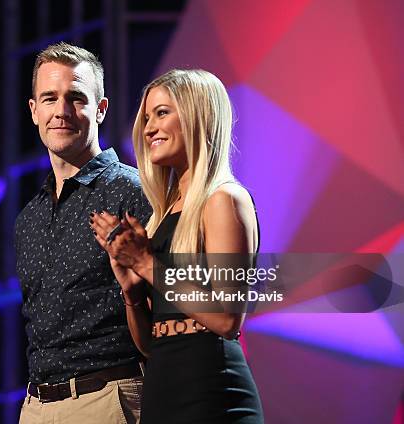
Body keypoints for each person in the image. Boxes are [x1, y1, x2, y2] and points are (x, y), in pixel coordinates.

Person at [90, 69, 264, 423]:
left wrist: (145, 262)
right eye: (147, 117)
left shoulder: (224, 200)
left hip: (213, 394)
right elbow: (150, 345)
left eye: (162, 113)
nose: (149, 127)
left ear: (198, 116)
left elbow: (227, 318)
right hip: (163, 391)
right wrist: (132, 291)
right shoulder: (162, 215)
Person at [15, 42, 152, 424]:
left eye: (76, 98)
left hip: (107, 398)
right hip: (36, 406)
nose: (61, 111)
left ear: (101, 109)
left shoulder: (132, 192)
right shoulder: (28, 218)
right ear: (33, 111)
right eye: (49, 98)